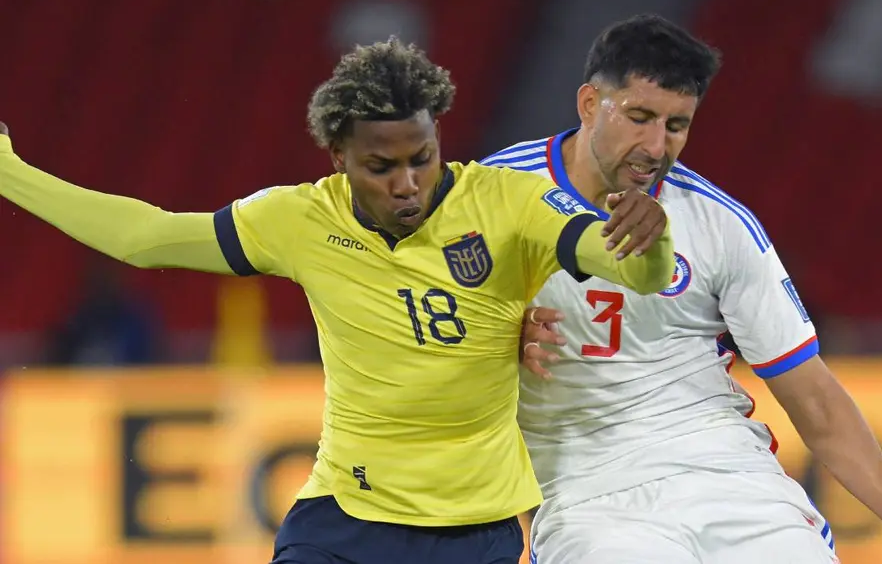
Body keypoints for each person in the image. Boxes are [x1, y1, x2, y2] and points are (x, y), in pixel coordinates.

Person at [0, 38, 678, 564]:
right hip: (343, 520)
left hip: (473, 531)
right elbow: (147, 238)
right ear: (339, 161)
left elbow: (630, 267)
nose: (408, 183)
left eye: (423, 156)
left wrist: (648, 240)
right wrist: (11, 173)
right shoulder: (299, 220)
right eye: (381, 167)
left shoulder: (508, 204)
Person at [483, 14, 882, 564]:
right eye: (639, 117)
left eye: (676, 125)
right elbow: (407, 334)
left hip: (729, 475)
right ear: (590, 104)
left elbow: (815, 401)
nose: (656, 145)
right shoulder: (492, 200)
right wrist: (488, 337)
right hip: (588, 492)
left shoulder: (718, 223)